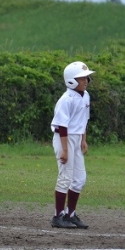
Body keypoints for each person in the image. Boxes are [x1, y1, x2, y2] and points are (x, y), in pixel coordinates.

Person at [50, 61, 95, 229]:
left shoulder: (85, 96)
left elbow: (83, 120)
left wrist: (83, 140)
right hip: (64, 138)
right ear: (71, 80)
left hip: (76, 138)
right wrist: (65, 150)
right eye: (81, 78)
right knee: (65, 177)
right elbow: (62, 126)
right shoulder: (66, 99)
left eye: (86, 78)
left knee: (79, 179)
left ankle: (70, 214)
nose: (86, 81)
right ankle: (58, 216)